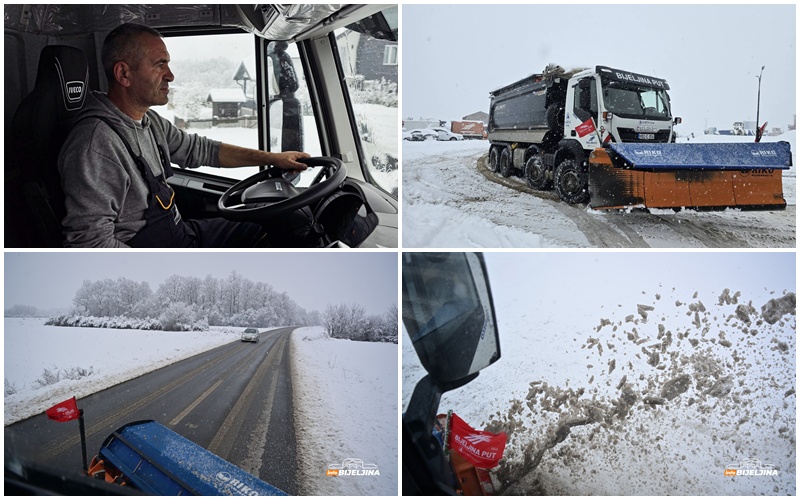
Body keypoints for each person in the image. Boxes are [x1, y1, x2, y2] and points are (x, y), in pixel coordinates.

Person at [58, 23, 311, 247]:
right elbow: (89, 242)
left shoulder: (149, 121)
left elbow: (202, 150)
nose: (170, 75)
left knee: (268, 217)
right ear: (124, 74)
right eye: (160, 65)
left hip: (180, 235)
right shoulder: (96, 145)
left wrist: (273, 158)